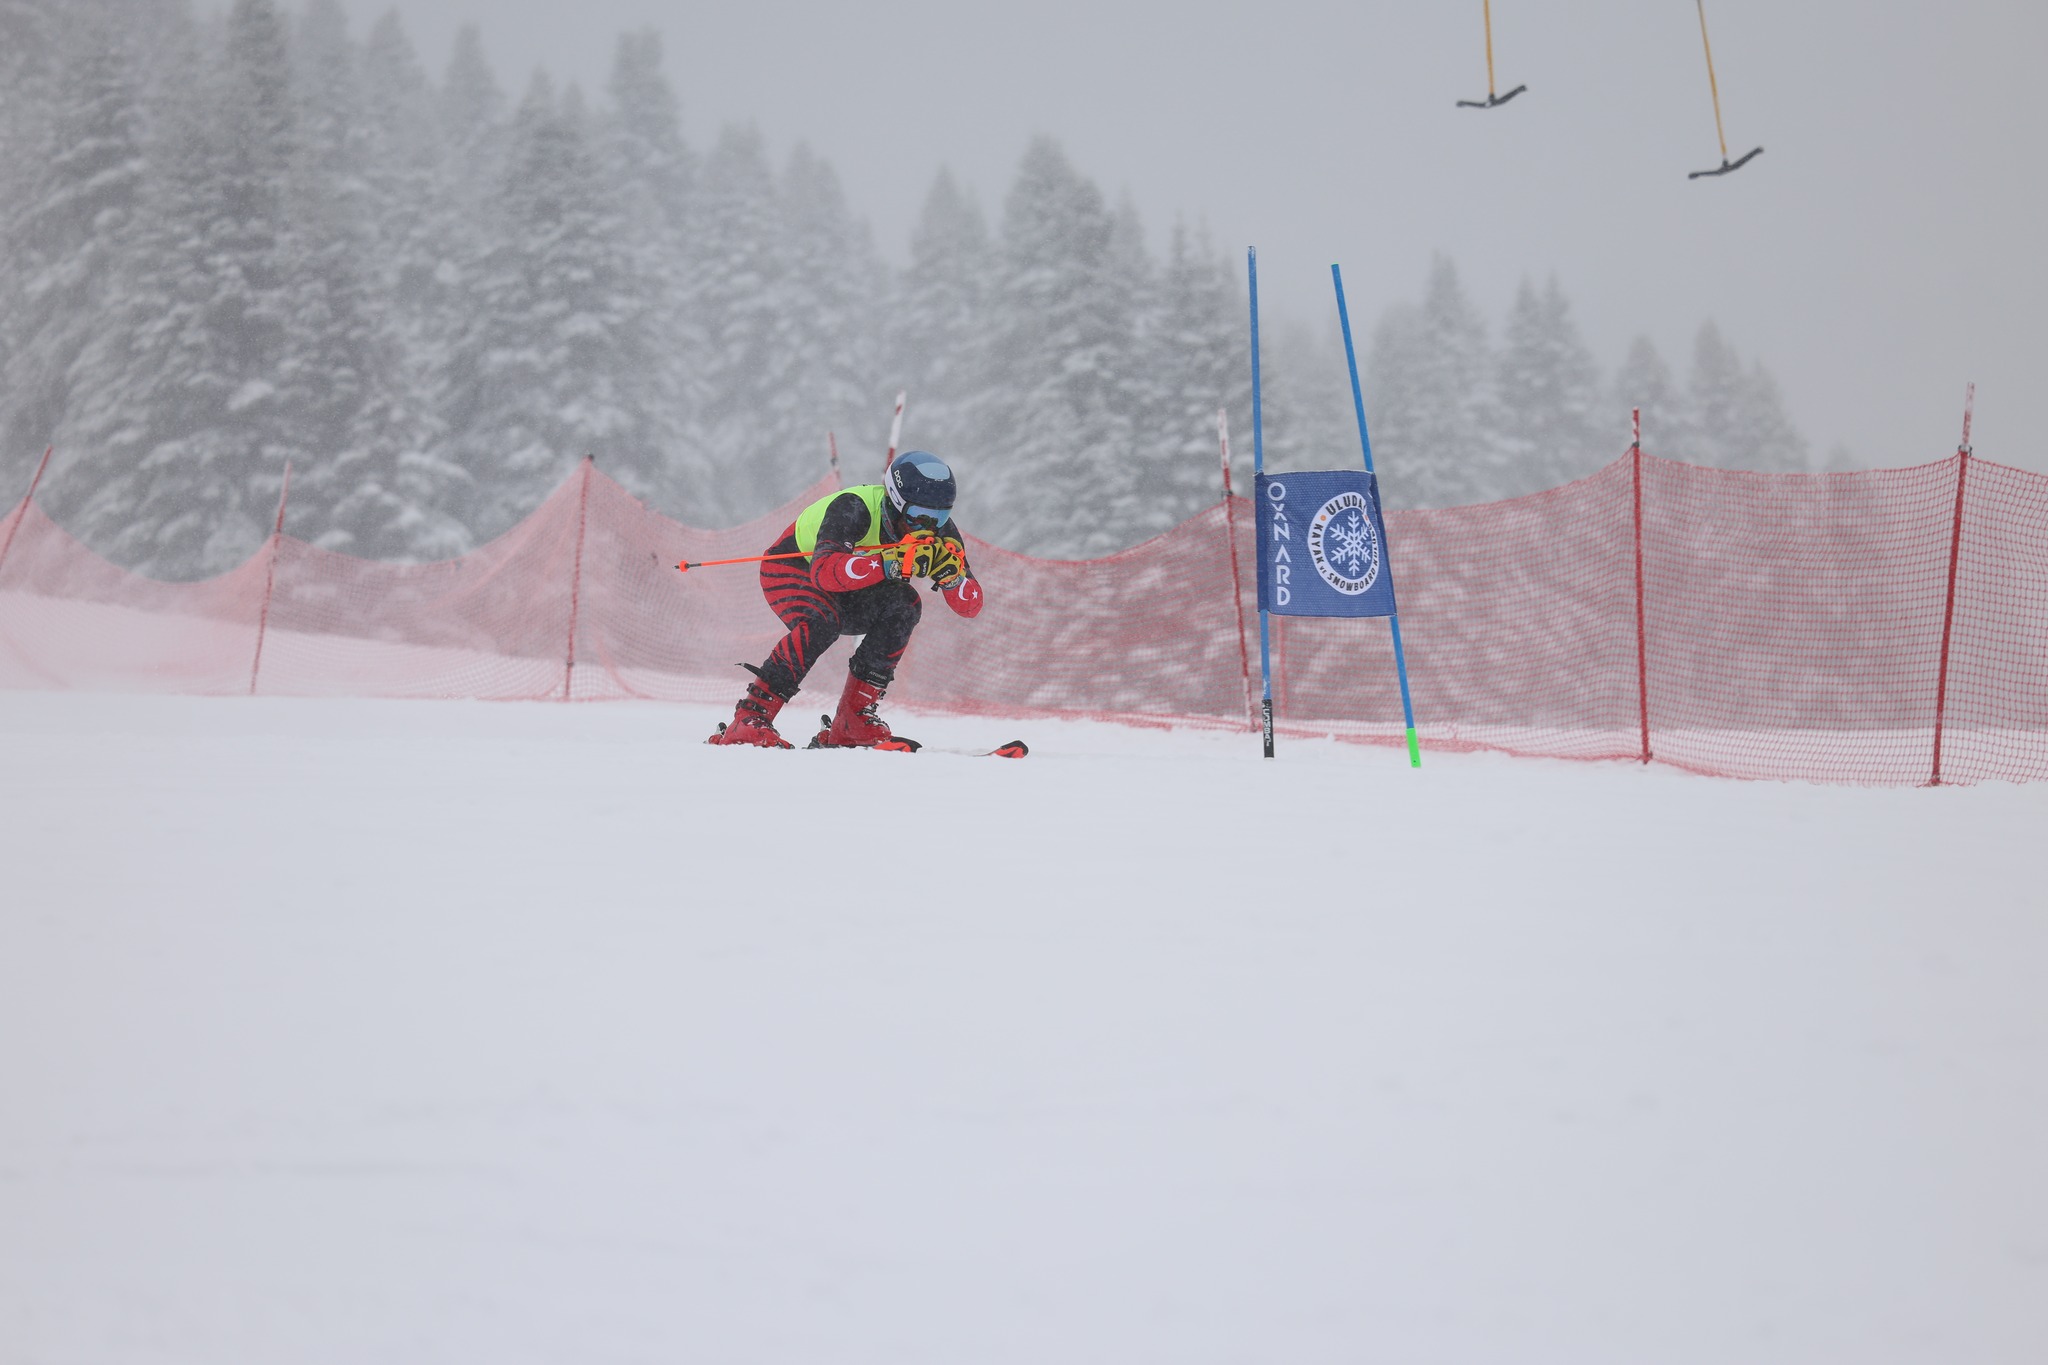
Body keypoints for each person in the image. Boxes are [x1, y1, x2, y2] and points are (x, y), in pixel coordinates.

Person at [708, 450, 984, 749]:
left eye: (940, 515)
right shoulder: (853, 507)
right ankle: (750, 718)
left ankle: (853, 721)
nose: (927, 526)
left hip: (849, 586)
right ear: (895, 501)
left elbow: (971, 607)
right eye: (918, 515)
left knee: (905, 604)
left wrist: (952, 579)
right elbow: (824, 573)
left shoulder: (941, 532)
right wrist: (889, 564)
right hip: (792, 569)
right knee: (822, 620)